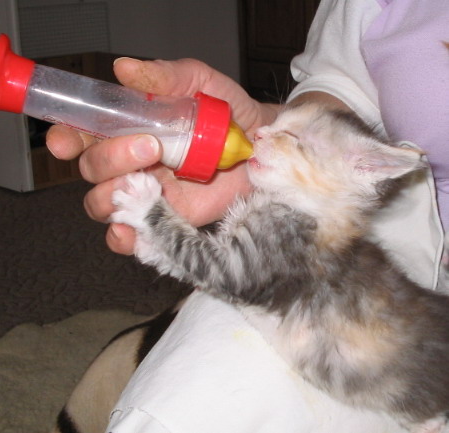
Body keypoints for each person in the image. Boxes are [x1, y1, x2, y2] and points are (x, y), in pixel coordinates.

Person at [46, 0, 447, 431]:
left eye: (288, 136)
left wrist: (151, 214)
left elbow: (222, 272)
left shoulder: (300, 230)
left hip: (399, 367)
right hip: (402, 278)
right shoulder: (304, 221)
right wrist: (269, 120)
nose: (262, 133)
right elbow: (342, 84)